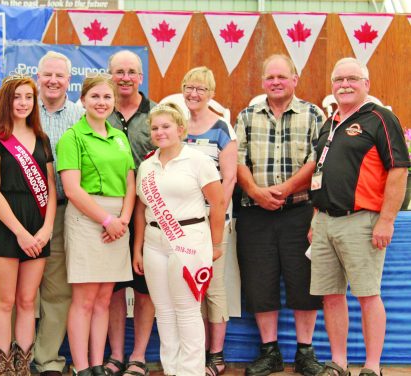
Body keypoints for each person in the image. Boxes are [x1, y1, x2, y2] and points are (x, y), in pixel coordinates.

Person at [310, 58, 410, 376]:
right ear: (332, 85)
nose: (345, 85)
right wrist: (315, 217)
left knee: (368, 295)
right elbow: (320, 172)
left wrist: (387, 219)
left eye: (353, 78)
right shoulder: (331, 122)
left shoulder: (381, 118)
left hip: (362, 220)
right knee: (331, 296)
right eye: (339, 79)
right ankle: (338, 362)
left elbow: (398, 170)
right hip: (325, 221)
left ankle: (372, 366)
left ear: (366, 83)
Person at [234, 54, 324, 376]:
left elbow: (317, 161)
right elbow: (237, 162)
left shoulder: (314, 114)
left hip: (299, 211)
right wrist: (256, 192)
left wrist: (284, 189)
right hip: (254, 213)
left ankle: (305, 352)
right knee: (261, 283)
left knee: (304, 283)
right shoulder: (246, 116)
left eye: (282, 77)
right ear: (263, 82)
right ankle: (270, 351)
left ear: (294, 79)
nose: (275, 82)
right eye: (270, 77)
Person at [134, 102, 225, 376]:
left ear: (180, 129)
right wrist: (137, 249)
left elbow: (218, 203)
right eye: (155, 128)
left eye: (166, 127)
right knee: (163, 310)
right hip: (153, 241)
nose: (160, 132)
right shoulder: (147, 165)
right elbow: (142, 209)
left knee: (186, 308)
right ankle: (171, 369)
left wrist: (217, 244)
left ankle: (191, 371)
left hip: (189, 239)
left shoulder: (199, 161)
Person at [0, 74, 57, 376]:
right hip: (8, 226)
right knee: (5, 300)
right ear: (6, 101)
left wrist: (47, 228)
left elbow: (49, 188)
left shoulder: (42, 139)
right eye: (16, 97)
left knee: (27, 300)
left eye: (28, 97)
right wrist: (21, 234)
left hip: (38, 226)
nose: (23, 103)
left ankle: (23, 366)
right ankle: (4, 367)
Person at [57, 74, 136, 376]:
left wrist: (124, 221)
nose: (102, 102)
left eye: (107, 97)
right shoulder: (72, 137)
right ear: (83, 100)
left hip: (118, 222)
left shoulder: (119, 137)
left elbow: (131, 183)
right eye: (95, 97)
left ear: (114, 102)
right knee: (85, 299)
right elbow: (72, 189)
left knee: (105, 299)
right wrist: (106, 220)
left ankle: (98, 364)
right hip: (88, 219)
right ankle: (81, 366)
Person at [181, 67, 238, 376]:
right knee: (188, 290)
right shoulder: (177, 126)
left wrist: (216, 220)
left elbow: (228, 181)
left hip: (212, 221)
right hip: (179, 224)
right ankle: (194, 351)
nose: (194, 94)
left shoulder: (222, 129)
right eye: (189, 87)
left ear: (211, 94)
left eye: (201, 89)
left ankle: (215, 355)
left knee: (212, 288)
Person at [105, 49, 156, 376]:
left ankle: (138, 355)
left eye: (131, 72)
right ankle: (115, 354)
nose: (125, 77)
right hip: (108, 214)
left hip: (148, 214)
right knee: (111, 288)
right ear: (110, 75)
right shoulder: (99, 111)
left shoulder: (156, 113)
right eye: (119, 71)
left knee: (143, 287)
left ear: (141, 77)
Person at [33, 51, 85, 376]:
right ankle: (17, 358)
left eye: (59, 76)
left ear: (69, 80)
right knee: (19, 293)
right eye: (47, 75)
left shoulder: (81, 116)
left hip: (65, 213)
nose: (53, 81)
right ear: (38, 77)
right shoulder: (20, 109)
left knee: (57, 291)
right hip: (22, 213)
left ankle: (48, 360)